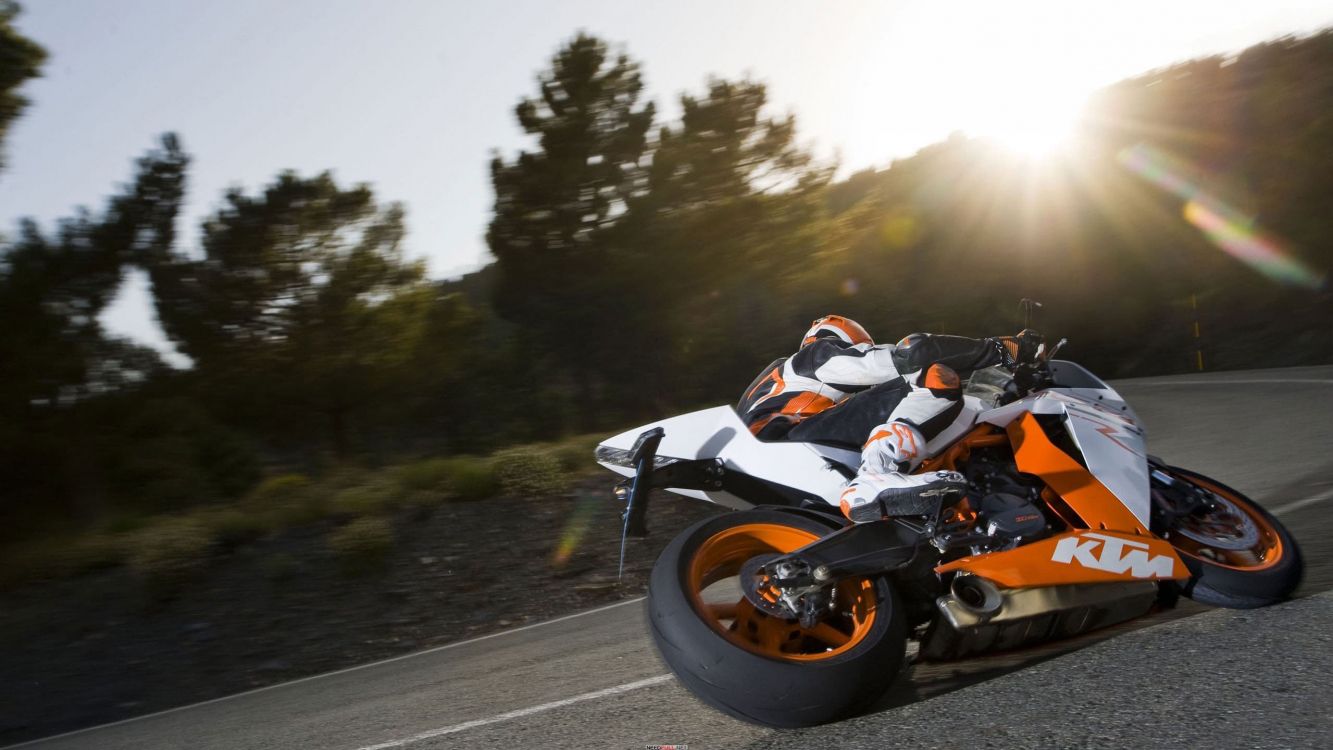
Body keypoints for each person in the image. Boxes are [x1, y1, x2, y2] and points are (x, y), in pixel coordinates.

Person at [737, 315, 1039, 523]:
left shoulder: (776, 389)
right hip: (794, 438)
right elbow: (910, 354)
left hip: (776, 460)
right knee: (931, 375)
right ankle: (876, 474)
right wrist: (1000, 349)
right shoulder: (816, 356)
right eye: (860, 346)